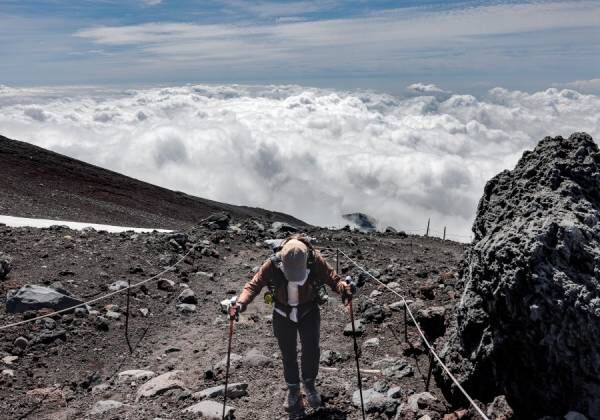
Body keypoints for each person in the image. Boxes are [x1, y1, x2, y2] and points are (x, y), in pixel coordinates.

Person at [233, 234, 352, 417]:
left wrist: (344, 288)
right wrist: (240, 304)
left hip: (308, 311)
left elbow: (332, 279)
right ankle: (293, 389)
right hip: (282, 313)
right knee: (288, 353)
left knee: (311, 350)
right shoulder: (273, 263)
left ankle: (309, 385)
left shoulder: (315, 260)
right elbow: (253, 285)